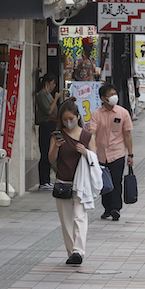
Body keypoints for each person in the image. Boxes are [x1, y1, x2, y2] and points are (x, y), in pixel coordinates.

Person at [47, 101, 99, 265]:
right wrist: (55, 147)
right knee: (66, 220)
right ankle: (71, 252)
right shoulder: (57, 135)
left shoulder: (87, 136)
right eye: (64, 119)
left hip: (82, 184)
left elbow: (95, 159)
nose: (68, 122)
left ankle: (78, 251)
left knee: (79, 216)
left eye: (71, 118)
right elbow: (51, 159)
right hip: (63, 182)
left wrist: (86, 152)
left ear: (78, 117)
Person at [91, 83, 134, 221]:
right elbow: (92, 132)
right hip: (101, 154)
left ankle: (116, 208)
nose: (114, 97)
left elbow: (127, 134)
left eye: (114, 94)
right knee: (104, 182)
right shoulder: (97, 114)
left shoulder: (123, 113)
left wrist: (130, 154)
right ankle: (107, 208)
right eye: (110, 95)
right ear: (103, 98)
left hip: (118, 153)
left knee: (116, 181)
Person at [34, 74, 61, 190]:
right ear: (47, 83)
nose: (54, 85)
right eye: (53, 83)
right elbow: (48, 111)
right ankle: (43, 180)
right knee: (44, 151)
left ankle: (47, 179)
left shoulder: (48, 95)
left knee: (50, 152)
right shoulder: (41, 95)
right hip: (46, 124)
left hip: (52, 124)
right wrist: (56, 99)